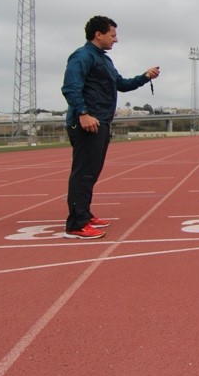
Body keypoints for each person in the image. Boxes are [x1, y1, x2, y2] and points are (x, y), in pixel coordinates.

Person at [61, 15, 160, 239]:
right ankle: (77, 223)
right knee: (84, 173)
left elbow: (121, 84)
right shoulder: (82, 56)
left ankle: (84, 214)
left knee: (92, 173)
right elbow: (70, 88)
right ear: (99, 34)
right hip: (87, 123)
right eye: (113, 35)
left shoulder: (103, 59)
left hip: (101, 122)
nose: (116, 39)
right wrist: (83, 113)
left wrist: (145, 77)